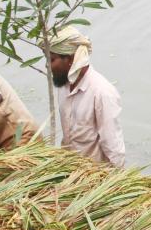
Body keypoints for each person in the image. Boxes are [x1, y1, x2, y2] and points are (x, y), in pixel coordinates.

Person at [48, 26, 125, 167]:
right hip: (70, 168)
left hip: (94, 175)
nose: (48, 66)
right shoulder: (64, 86)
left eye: (52, 60)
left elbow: (113, 146)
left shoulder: (102, 92)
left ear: (70, 59)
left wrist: (117, 182)